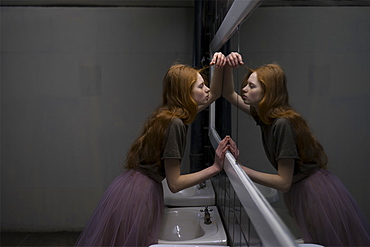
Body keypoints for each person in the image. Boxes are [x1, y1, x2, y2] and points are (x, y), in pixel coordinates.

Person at [75, 53, 231, 247]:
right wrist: (216, 168)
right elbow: (174, 184)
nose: (206, 89)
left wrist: (222, 66)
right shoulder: (175, 124)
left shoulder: (170, 113)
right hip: (140, 194)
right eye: (200, 86)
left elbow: (214, 94)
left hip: (130, 187)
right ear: (185, 94)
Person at [221, 52, 370, 246]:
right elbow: (227, 93)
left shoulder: (282, 124)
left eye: (251, 86)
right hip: (304, 189)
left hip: (314, 193)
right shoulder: (265, 116)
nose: (244, 89)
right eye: (246, 84)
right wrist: (225, 65)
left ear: (268, 92)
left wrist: (239, 169)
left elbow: (283, 182)